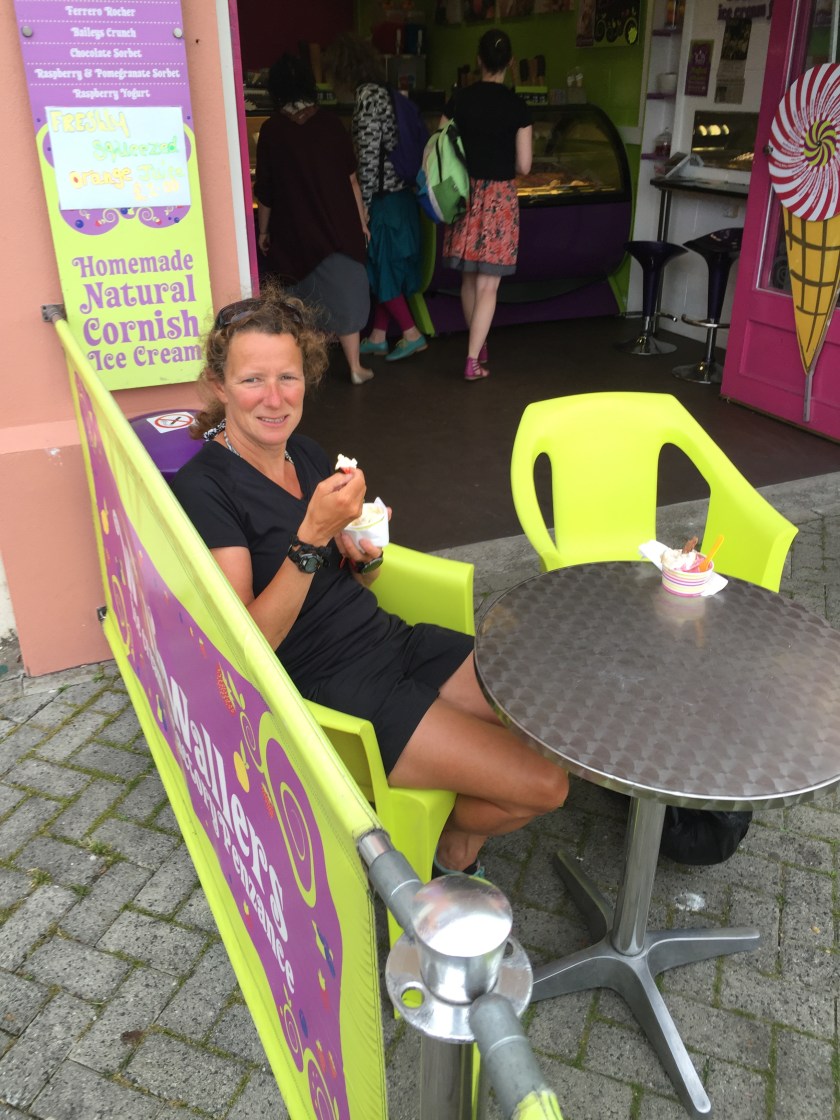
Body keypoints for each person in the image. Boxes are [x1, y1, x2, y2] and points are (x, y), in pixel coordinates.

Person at [170, 285, 569, 875]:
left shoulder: (306, 454)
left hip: (391, 641)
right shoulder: (205, 488)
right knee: (546, 786)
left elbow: (354, 583)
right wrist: (311, 536)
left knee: (547, 720)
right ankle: (447, 846)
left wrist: (364, 557)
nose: (275, 398)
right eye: (253, 380)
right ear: (219, 385)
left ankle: (446, 842)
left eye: (288, 377)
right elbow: (248, 646)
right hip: (337, 689)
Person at [253, 53, 374, 386]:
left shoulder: (272, 130)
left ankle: (300, 371)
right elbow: (352, 179)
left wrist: (263, 231)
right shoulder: (331, 124)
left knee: (297, 307)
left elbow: (266, 192)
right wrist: (361, 221)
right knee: (346, 298)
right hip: (338, 229)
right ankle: (355, 366)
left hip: (294, 233)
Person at [327, 33, 428, 364]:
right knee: (388, 270)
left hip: (384, 202)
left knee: (382, 269)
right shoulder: (385, 91)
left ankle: (411, 334)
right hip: (402, 198)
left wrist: (364, 209)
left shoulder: (367, 98)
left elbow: (368, 160)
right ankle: (378, 336)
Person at [441, 30, 533, 381]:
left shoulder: (459, 100)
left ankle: (477, 347)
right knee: (489, 286)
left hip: (464, 193)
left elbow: (440, 145)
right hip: (499, 199)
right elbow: (524, 165)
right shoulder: (517, 106)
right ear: (510, 62)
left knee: (468, 278)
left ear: (478, 59)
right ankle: (471, 360)